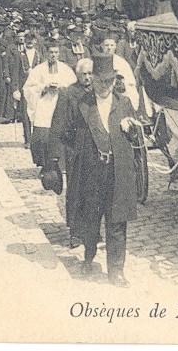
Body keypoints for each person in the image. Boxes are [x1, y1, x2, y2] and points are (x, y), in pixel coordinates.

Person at [61, 52, 140, 287]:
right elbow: (67, 133)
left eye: (109, 82)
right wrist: (83, 151)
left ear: (115, 81)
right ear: (92, 80)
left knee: (117, 223)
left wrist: (130, 129)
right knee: (90, 219)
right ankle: (88, 259)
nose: (104, 87)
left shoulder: (124, 104)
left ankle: (116, 272)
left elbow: (137, 138)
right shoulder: (82, 103)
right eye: (100, 81)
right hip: (91, 171)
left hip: (117, 171)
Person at [50, 57, 94, 241]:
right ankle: (76, 232)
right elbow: (58, 125)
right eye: (84, 74)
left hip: (93, 148)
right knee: (76, 189)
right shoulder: (68, 94)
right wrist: (56, 155)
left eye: (90, 73)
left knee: (93, 190)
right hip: (74, 149)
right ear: (78, 75)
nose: (87, 78)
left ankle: (92, 231)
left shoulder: (97, 93)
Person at [23, 40, 77, 168]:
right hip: (44, 105)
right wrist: (44, 88)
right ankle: (44, 163)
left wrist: (61, 88)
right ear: (46, 53)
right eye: (51, 52)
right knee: (43, 136)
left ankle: (61, 164)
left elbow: (73, 87)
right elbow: (28, 88)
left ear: (59, 54)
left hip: (60, 104)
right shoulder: (39, 69)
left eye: (56, 52)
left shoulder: (66, 69)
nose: (53, 55)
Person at [99, 29, 140, 108]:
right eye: (106, 45)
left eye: (111, 45)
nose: (109, 48)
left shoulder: (121, 62)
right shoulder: (98, 60)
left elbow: (130, 82)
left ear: (115, 46)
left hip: (119, 93)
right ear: (102, 46)